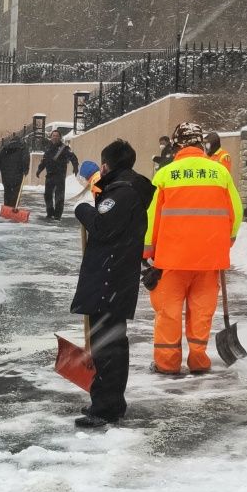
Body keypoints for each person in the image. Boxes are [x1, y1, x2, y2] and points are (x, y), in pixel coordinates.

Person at [144, 121, 243, 375]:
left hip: (172, 259)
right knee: (201, 311)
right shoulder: (220, 173)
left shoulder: (166, 174)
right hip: (209, 258)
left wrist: (147, 250)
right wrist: (227, 240)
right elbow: (237, 212)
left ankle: (168, 363)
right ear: (201, 144)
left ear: (177, 145)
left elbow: (151, 217)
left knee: (169, 312)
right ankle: (199, 359)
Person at [71, 139, 155, 428]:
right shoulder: (123, 189)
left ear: (107, 164)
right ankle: (107, 401)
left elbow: (102, 226)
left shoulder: (122, 193)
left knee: (108, 345)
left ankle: (106, 408)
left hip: (110, 278)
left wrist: (83, 210)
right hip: (114, 276)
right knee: (109, 342)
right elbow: (107, 216)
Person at [36, 131, 79, 220]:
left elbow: (73, 157)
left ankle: (57, 215)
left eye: (57, 136)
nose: (55, 137)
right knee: (47, 195)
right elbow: (44, 161)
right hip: (49, 175)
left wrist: (75, 167)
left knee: (59, 196)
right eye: (53, 136)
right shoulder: (48, 149)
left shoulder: (64, 148)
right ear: (51, 137)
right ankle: (50, 213)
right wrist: (39, 170)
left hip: (60, 175)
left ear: (60, 137)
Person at [0, 135, 31, 207]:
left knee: (7, 192)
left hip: (6, 174)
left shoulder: (5, 148)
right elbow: (25, 159)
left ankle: (7, 207)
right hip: (18, 174)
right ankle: (13, 208)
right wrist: (26, 170)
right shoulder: (23, 147)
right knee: (16, 192)